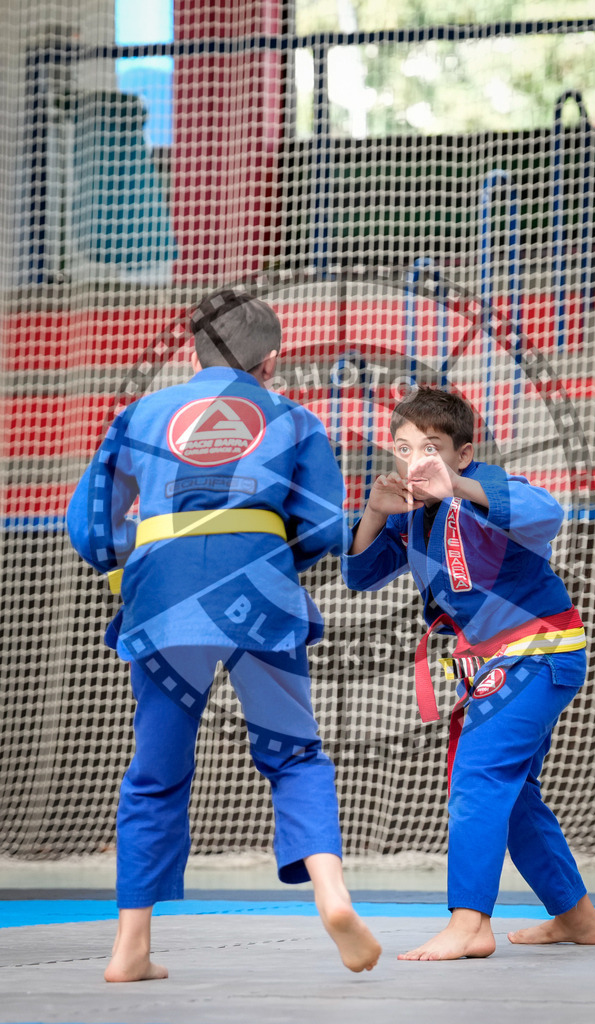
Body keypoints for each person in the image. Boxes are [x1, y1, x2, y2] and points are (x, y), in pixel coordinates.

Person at [67, 288, 381, 981]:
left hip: (163, 601)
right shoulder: (292, 418)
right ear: (272, 362)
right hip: (260, 599)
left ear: (193, 354)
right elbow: (328, 527)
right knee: (295, 755)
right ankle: (332, 898)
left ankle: (130, 949)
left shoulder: (140, 412)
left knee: (155, 773)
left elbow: (91, 529)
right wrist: (268, 556)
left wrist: (131, 558)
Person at [342, 385, 595, 961]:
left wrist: (456, 486)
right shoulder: (413, 514)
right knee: (512, 796)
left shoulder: (488, 490)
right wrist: (373, 512)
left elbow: (549, 512)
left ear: (463, 454)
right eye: (404, 447)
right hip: (492, 666)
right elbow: (361, 575)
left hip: (538, 651)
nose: (416, 461)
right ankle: (578, 918)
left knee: (479, 777)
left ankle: (469, 924)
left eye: (431, 448)